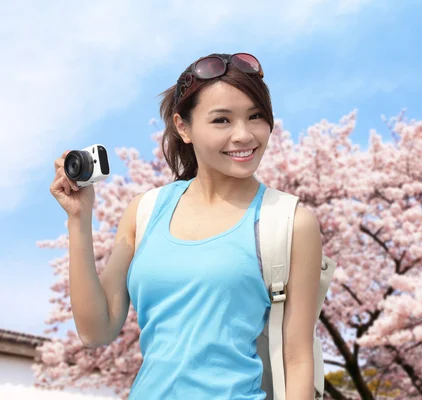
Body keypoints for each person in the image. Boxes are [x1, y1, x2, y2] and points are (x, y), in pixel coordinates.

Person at [49, 53, 323, 399]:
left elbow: (297, 358)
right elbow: (96, 330)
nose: (244, 135)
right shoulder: (146, 210)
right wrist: (78, 218)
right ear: (183, 127)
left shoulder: (290, 221)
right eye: (222, 120)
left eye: (256, 117)